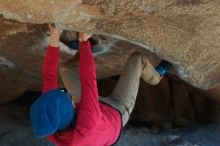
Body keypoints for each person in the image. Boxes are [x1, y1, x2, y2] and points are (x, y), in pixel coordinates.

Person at [30, 24, 171, 146]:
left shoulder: (48, 121)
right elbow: (88, 80)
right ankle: (156, 77)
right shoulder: (87, 124)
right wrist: (84, 41)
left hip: (89, 110)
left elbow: (49, 76)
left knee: (66, 69)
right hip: (117, 111)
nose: (69, 94)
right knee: (137, 59)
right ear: (70, 107)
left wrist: (55, 36)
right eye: (67, 96)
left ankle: (81, 50)